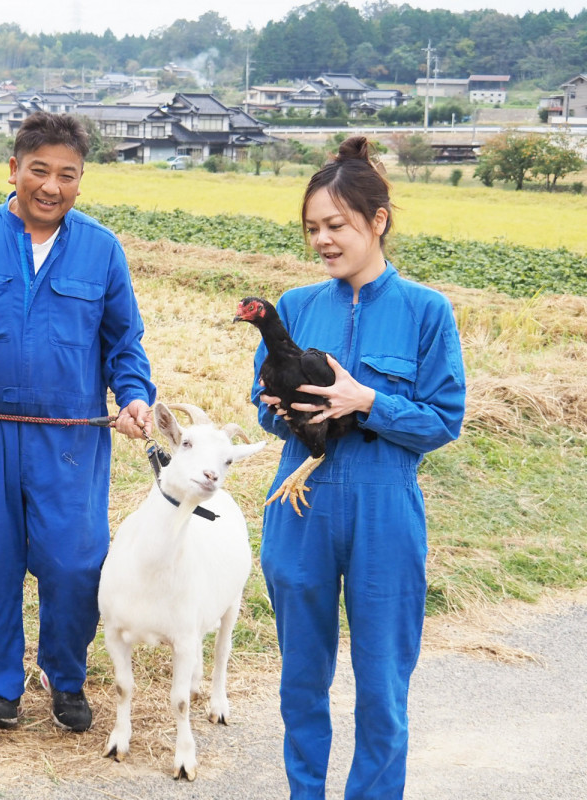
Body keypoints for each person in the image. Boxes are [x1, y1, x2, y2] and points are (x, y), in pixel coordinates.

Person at [0, 112, 155, 733]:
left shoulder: (101, 249)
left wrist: (134, 395)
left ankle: (65, 678)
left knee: (75, 562)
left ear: (80, 181)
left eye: (67, 175)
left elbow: (124, 343)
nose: (51, 186)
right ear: (13, 169)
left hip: (71, 438)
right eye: (38, 170)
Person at [249, 136, 466, 798]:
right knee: (301, 682)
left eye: (337, 225)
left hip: (383, 508)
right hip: (300, 507)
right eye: (313, 228)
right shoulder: (297, 306)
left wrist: (367, 400)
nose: (323, 239)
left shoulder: (426, 311)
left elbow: (442, 420)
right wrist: (274, 407)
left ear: (378, 221)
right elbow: (263, 411)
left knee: (381, 686)